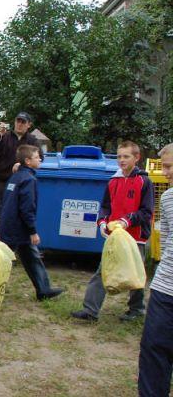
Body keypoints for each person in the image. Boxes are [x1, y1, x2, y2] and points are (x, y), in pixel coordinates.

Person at [71, 141, 154, 322]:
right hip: (114, 237)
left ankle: (136, 310)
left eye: (126, 156)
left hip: (135, 238)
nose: (122, 160)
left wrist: (127, 220)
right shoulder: (113, 181)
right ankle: (90, 310)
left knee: (135, 275)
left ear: (137, 158)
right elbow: (106, 207)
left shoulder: (144, 181)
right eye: (119, 156)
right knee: (103, 270)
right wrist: (102, 222)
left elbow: (146, 212)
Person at [0, 145, 63, 300]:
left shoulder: (16, 177)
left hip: (9, 225)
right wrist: (32, 231)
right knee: (2, 261)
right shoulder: (28, 180)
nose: (40, 158)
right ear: (27, 161)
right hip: (17, 228)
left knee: (31, 257)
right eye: (36, 157)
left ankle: (43, 290)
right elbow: (27, 208)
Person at [138, 143, 173, 397]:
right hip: (164, 287)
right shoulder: (168, 198)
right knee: (153, 349)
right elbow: (167, 240)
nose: (166, 172)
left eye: (170, 167)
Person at [0, 111, 44, 205]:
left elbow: (40, 158)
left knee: (15, 211)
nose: (19, 124)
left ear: (29, 125)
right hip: (0, 183)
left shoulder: (32, 140)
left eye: (23, 122)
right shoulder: (4, 136)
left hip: (21, 183)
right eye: (18, 121)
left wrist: (22, 165)